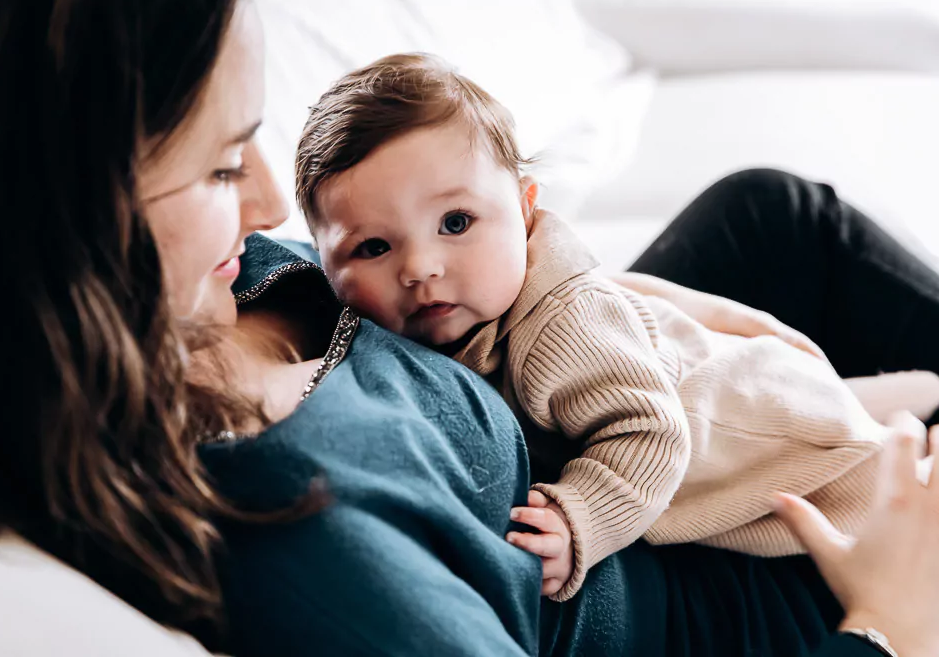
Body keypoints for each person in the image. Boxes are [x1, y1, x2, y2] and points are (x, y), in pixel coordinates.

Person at [0, 0, 939, 657]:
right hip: (708, 593)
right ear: (58, 221)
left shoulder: (188, 290)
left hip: (547, 424)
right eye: (218, 166)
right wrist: (892, 618)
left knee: (771, 214)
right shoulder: (306, 548)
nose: (261, 204)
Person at [294, 52, 938, 600]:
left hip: (811, 477)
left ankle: (896, 412)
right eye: (373, 249)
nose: (421, 268)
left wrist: (579, 522)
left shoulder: (559, 331)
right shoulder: (449, 313)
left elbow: (650, 433)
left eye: (456, 223)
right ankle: (896, 396)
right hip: (721, 400)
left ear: (525, 209)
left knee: (848, 454)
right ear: (324, 263)